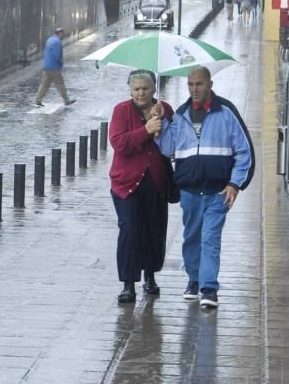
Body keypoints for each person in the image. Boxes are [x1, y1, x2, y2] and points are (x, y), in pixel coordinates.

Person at [151, 66, 255, 309]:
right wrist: (159, 124)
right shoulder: (181, 114)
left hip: (218, 191)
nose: (194, 89)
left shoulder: (226, 112)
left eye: (199, 84)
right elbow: (168, 148)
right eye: (190, 84)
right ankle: (194, 281)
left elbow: (244, 151)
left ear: (210, 85)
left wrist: (234, 183)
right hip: (189, 191)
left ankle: (209, 288)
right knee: (192, 236)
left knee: (210, 237)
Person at [109, 70, 174, 304]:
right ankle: (128, 283)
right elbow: (119, 143)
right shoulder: (121, 111)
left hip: (155, 181)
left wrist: (162, 123)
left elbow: (172, 144)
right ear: (130, 90)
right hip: (126, 183)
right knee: (130, 230)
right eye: (136, 89)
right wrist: (145, 130)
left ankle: (150, 276)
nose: (140, 93)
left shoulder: (164, 109)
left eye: (145, 88)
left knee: (154, 231)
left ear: (153, 89)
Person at [34, 28, 76, 107]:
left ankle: (37, 100)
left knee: (44, 85)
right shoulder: (57, 42)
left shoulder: (49, 40)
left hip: (47, 66)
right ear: (60, 34)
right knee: (60, 84)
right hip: (54, 67)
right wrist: (61, 63)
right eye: (62, 34)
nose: (63, 36)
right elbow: (57, 56)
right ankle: (66, 101)